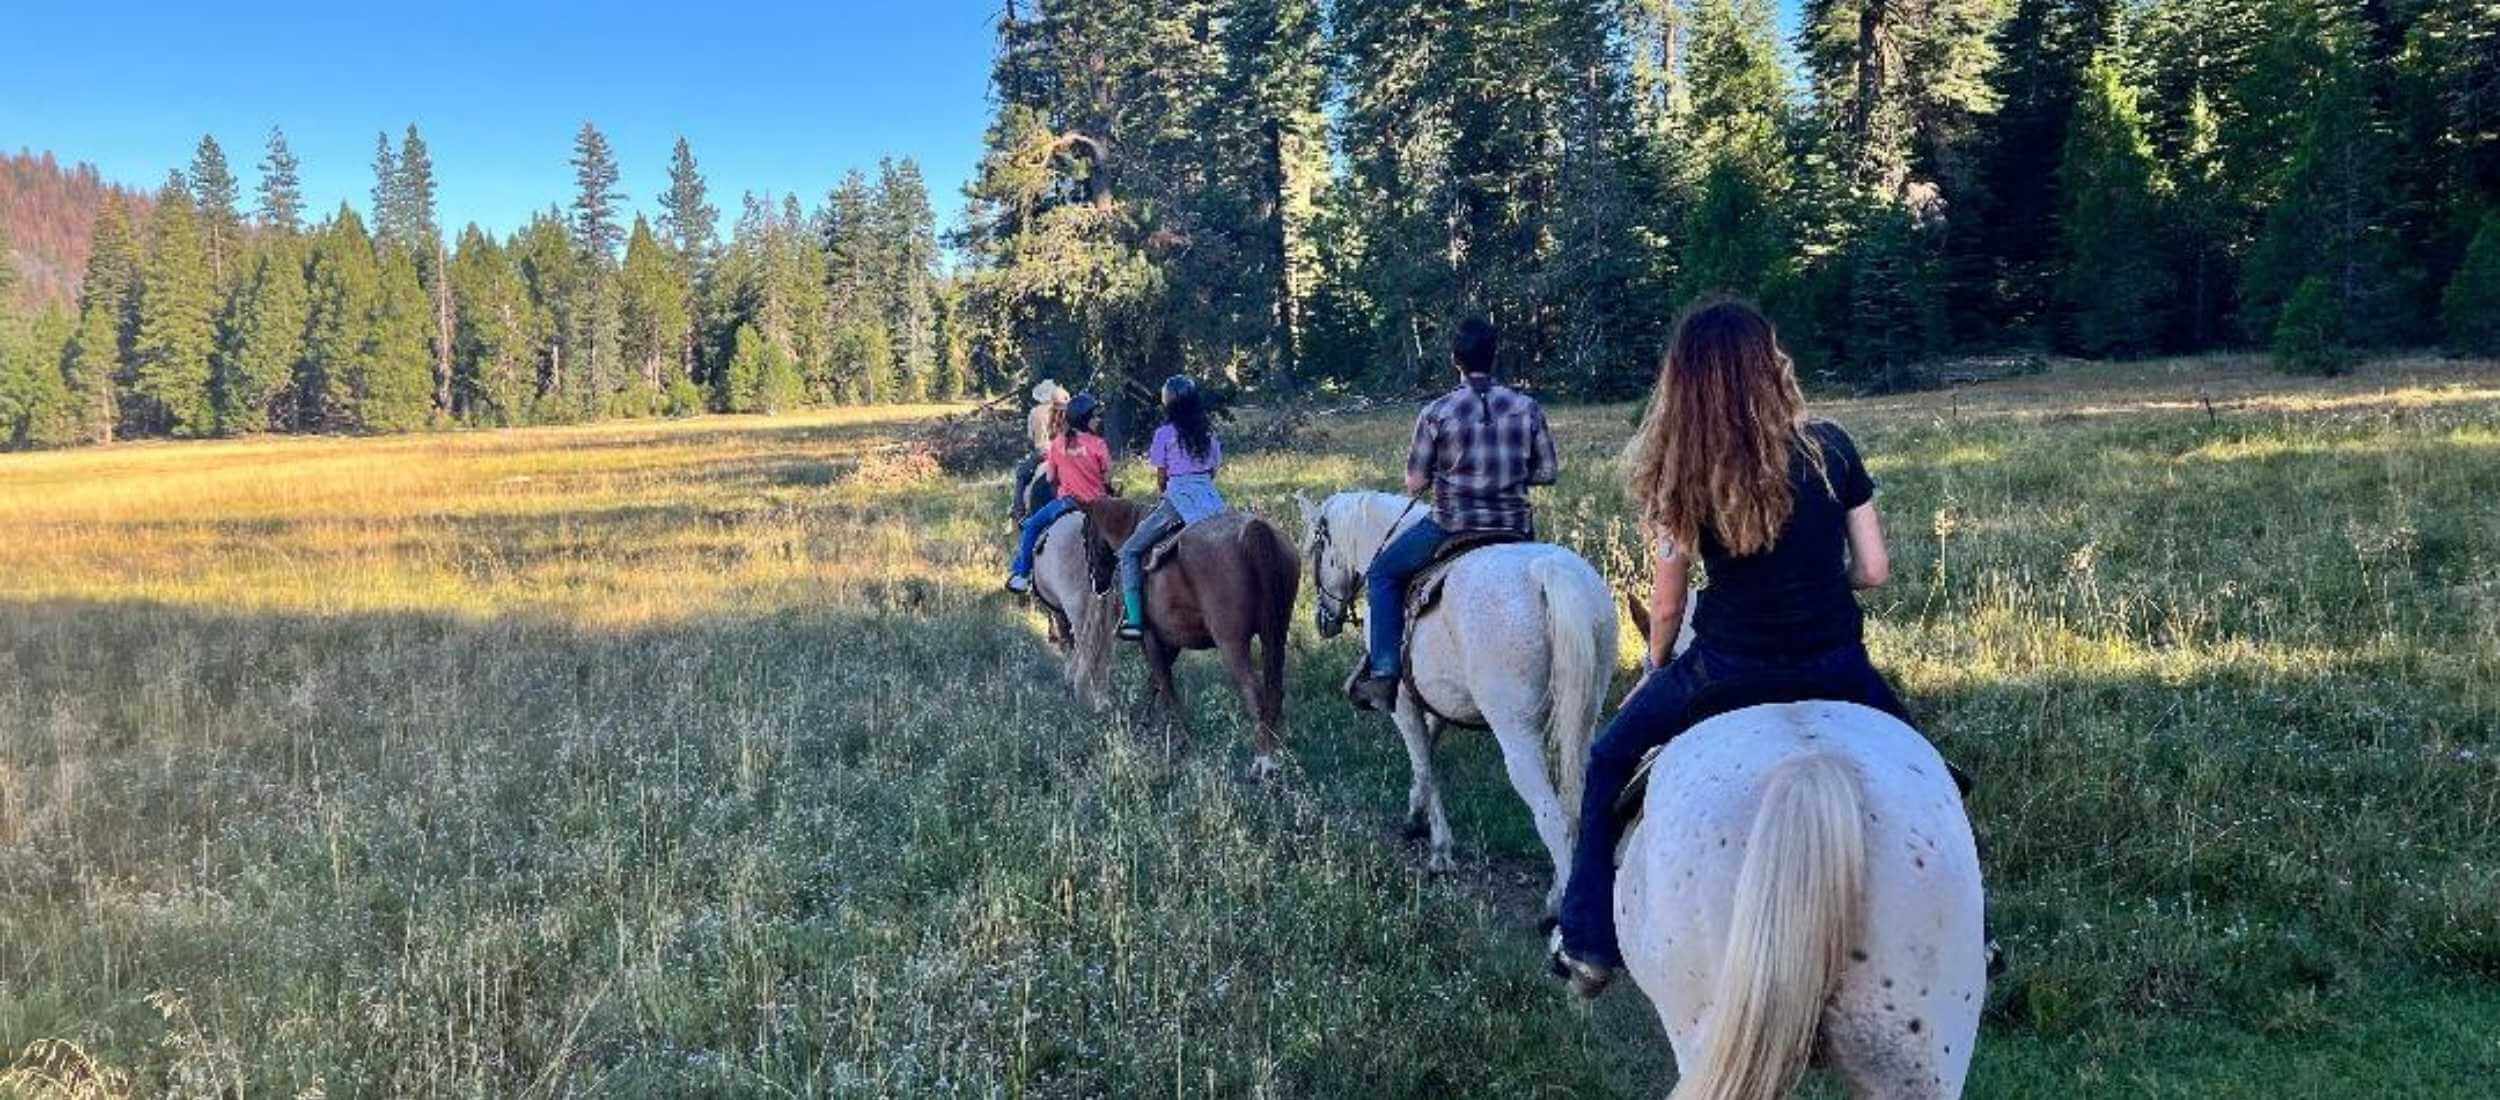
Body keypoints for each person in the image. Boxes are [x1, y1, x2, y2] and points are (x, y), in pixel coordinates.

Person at [1550, 297, 1910, 998]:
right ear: (1769, 367)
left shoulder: (1684, 471)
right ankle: (1980, 932)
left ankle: (1589, 940)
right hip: (1837, 664)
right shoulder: (1833, 447)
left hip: (1725, 669)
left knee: (1604, 764)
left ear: (1684, 383)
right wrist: (1812, 583)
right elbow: (1873, 570)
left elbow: (1666, 605)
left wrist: (1654, 669)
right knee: (1936, 777)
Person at [1346, 318, 1558, 713]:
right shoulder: (1528, 408)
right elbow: (1548, 472)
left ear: (1454, 360)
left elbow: (1414, 483)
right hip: (1514, 527)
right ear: (1494, 357)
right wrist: (1509, 474)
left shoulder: (1437, 411)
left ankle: (1385, 673)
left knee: (1383, 575)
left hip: (1450, 526)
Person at [1116, 376, 1227, 640]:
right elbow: (1212, 471)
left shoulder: (1164, 434)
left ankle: (1134, 619)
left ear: (1167, 404)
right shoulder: (1208, 434)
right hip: (1212, 500)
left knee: (1130, 552)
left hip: (1177, 499)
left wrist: (1166, 495)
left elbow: (1162, 477)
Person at [1006, 392, 1111, 594]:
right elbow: (1106, 480)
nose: (1098, 420)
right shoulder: (1099, 444)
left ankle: (1022, 574)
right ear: (1086, 420)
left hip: (1068, 503)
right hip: (1099, 505)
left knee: (1031, 526)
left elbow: (1050, 479)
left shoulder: (1058, 444)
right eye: (1095, 416)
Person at [1012, 380, 1071, 522]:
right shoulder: (1061, 411)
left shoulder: (1034, 412)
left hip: (1042, 452)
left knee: (1021, 474)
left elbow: (1030, 437)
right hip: (1062, 451)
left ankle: (1018, 509)